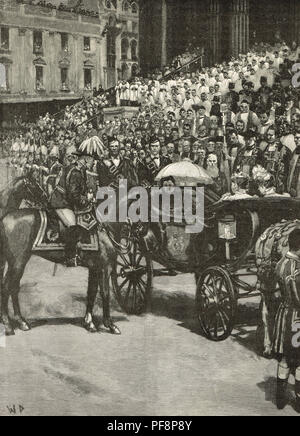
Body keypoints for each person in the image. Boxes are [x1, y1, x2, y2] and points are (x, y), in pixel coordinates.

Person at [50, 150, 95, 267]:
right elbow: (73, 195)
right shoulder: (76, 172)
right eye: (92, 160)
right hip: (60, 203)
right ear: (86, 159)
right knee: (73, 225)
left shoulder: (78, 169)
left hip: (66, 201)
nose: (93, 163)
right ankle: (70, 257)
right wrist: (87, 199)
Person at [273, 229, 300, 412]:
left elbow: (277, 291)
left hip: (283, 314)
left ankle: (280, 398)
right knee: (298, 359)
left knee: (284, 357)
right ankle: (298, 399)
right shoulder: (297, 268)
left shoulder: (281, 263)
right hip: (296, 316)